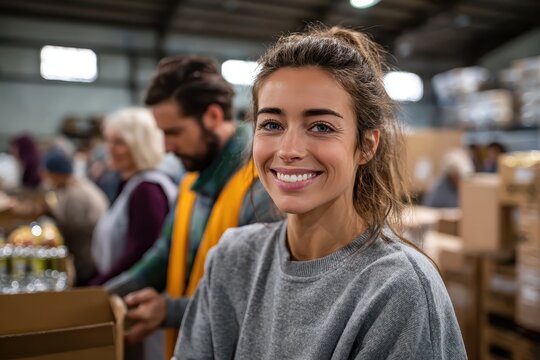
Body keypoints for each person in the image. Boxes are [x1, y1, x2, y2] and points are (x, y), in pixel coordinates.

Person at [175, 26, 467, 359]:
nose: (289, 149)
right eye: (272, 124)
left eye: (321, 127)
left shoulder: (398, 289)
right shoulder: (232, 259)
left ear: (367, 145)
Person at [103, 56, 281, 358]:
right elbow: (163, 254)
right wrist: (103, 297)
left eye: (173, 132)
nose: (165, 147)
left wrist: (169, 311)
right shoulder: (191, 182)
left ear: (212, 116)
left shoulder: (262, 189)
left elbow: (255, 301)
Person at [90, 107, 177, 285]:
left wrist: (96, 287)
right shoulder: (132, 184)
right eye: (109, 141)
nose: (110, 149)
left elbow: (140, 255)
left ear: (140, 146)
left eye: (119, 142)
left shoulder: (147, 190)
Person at [41, 148, 108, 285]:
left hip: (89, 254)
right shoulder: (71, 186)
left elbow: (73, 228)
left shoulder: (77, 194)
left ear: (56, 173)